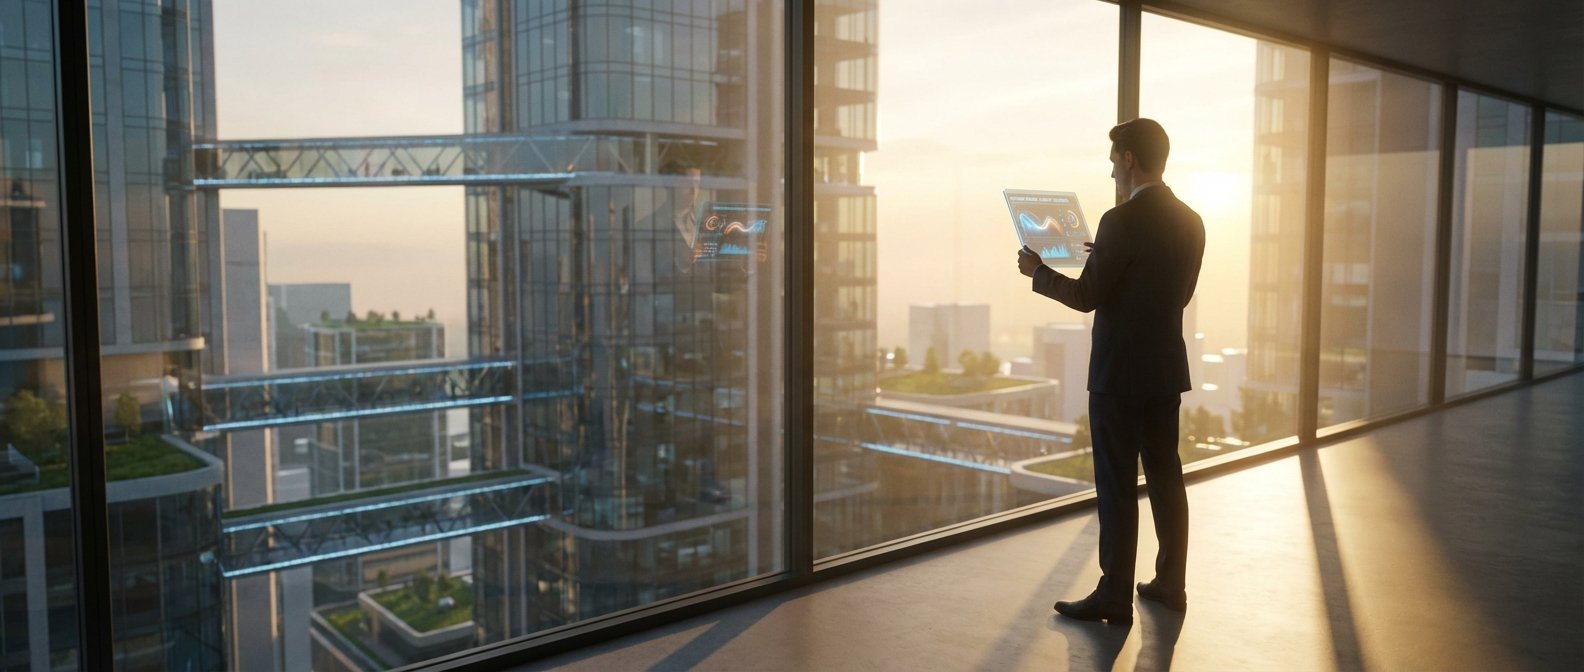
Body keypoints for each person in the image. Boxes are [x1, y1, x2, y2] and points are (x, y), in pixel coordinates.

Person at [1016, 118, 1204, 624]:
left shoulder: (1119, 221)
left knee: (1118, 486)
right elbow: (1176, 294)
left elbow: (1084, 296)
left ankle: (1114, 595)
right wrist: (1112, 263)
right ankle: (1170, 585)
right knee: (1166, 478)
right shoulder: (1192, 220)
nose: (1109, 167)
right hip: (1164, 371)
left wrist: (1039, 272)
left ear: (1129, 160)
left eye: (1112, 157)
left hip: (1119, 376)